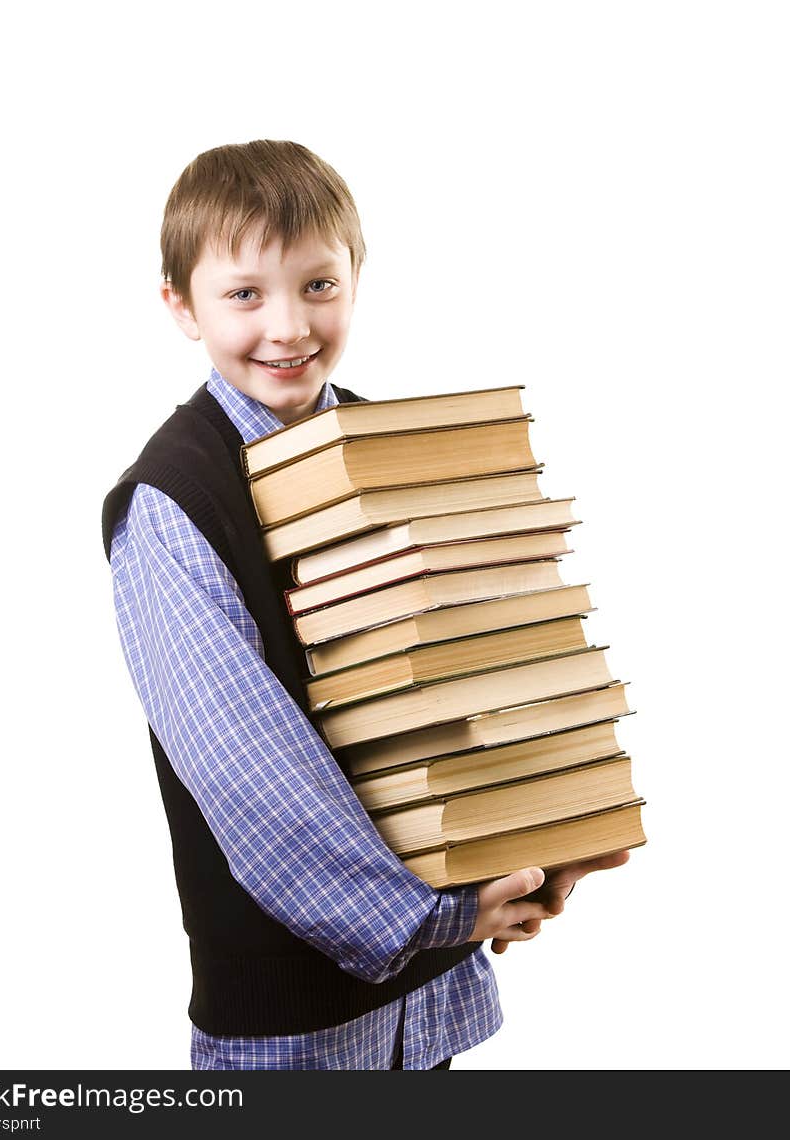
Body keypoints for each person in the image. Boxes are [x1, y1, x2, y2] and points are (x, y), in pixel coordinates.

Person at [101, 139, 630, 1071]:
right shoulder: (172, 500)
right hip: (297, 1027)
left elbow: (479, 658)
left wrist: (539, 850)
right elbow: (247, 770)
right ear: (180, 305)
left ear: (355, 278)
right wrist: (439, 912)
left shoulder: (391, 447)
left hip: (430, 997)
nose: (287, 326)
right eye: (243, 294)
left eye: (317, 286)